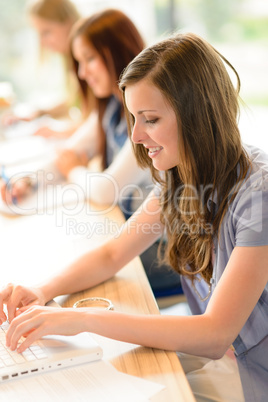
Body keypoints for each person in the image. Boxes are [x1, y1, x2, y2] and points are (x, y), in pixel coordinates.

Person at [2, 31, 266, 401]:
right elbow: (113, 254)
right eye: (133, 118)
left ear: (197, 114)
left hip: (253, 371)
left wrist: (82, 319)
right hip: (229, 357)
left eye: (150, 119)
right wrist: (44, 290)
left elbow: (214, 333)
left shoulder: (259, 194)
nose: (137, 135)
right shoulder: (183, 177)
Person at [0, 9, 181, 296]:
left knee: (68, 264)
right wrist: (28, 181)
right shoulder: (109, 107)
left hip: (159, 250)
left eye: (90, 59)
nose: (83, 73)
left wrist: (73, 169)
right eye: (79, 63)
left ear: (118, 52)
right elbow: (68, 152)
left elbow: (105, 190)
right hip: (130, 233)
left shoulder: (146, 122)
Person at [2, 0, 85, 138]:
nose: (41, 42)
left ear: (69, 23)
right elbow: (74, 99)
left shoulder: (86, 64)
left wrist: (59, 131)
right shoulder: (69, 60)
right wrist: (38, 113)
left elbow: (97, 119)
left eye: (46, 32)